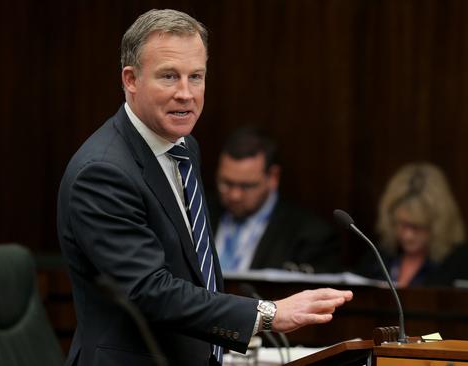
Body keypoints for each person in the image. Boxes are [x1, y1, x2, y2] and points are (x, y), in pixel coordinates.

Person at [57, 9, 352, 366]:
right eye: (169, 76)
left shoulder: (183, 147)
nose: (186, 93)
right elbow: (149, 290)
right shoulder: (103, 172)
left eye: (196, 77)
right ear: (130, 79)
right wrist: (267, 314)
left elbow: (194, 270)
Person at [210, 127, 341, 273]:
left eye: (247, 186)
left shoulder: (309, 236)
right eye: (226, 183)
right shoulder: (198, 214)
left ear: (273, 177)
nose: (235, 195)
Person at [357, 162, 468, 287]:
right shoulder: (378, 257)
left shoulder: (464, 265)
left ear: (437, 224)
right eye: (402, 224)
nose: (408, 235)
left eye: (417, 226)